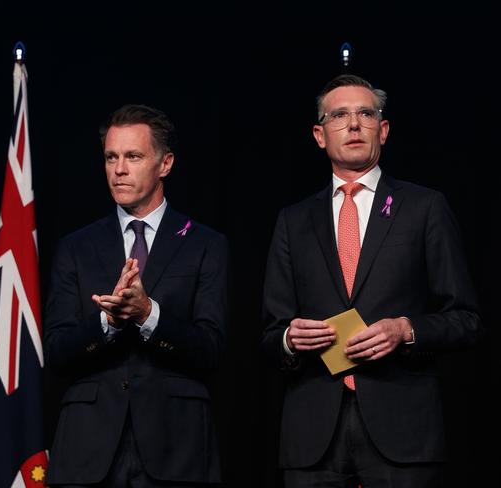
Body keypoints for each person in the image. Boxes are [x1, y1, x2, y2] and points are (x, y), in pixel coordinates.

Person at [261, 74, 482, 487]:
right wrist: (290, 339)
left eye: (366, 113)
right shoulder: (293, 221)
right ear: (319, 134)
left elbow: (466, 319)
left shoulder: (425, 208)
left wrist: (407, 329)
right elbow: (271, 333)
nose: (354, 124)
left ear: (383, 129)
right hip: (312, 435)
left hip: (403, 429)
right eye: (339, 115)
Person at [44, 104, 228, 487]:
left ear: (165, 164)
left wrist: (148, 314)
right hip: (88, 452)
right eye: (111, 157)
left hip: (176, 449)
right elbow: (57, 351)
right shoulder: (76, 247)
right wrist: (107, 323)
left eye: (133, 156)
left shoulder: (205, 245)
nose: (119, 169)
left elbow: (210, 351)